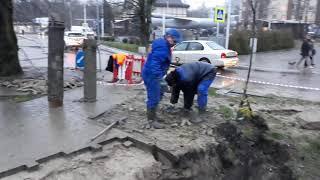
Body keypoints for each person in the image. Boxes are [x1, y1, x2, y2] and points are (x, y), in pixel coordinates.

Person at [142, 29, 181, 129]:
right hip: (152, 75)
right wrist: (159, 78)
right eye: (174, 41)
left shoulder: (164, 45)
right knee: (154, 97)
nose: (175, 43)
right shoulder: (163, 47)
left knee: (159, 95)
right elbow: (154, 64)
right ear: (168, 37)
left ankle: (154, 116)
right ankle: (151, 120)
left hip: (154, 74)